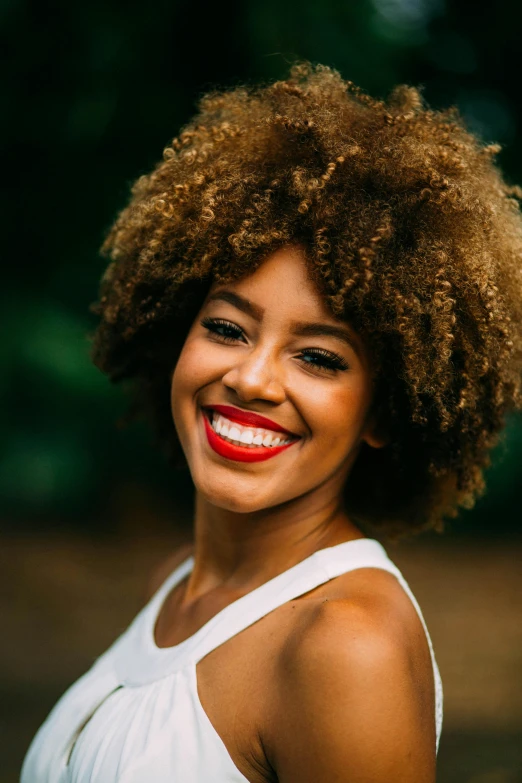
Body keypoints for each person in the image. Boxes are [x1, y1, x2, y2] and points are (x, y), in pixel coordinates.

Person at [21, 62, 522, 782]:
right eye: (228, 328)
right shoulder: (178, 583)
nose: (252, 378)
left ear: (384, 410)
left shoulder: (347, 644)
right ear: (176, 337)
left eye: (318, 357)